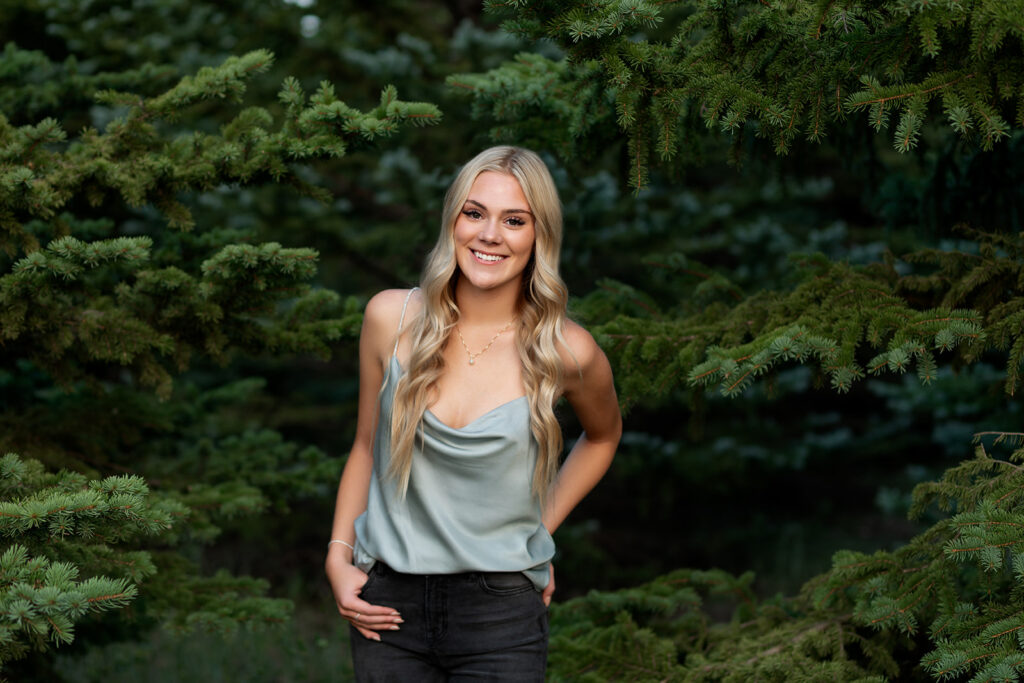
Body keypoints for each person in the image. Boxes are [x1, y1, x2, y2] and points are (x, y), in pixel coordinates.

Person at [325, 145, 621, 681]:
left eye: (514, 220)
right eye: (474, 212)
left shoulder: (566, 351)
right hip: (387, 608)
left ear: (539, 236)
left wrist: (538, 528)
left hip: (500, 614)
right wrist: (337, 556)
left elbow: (602, 438)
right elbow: (367, 446)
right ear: (453, 221)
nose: (490, 235)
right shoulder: (390, 318)